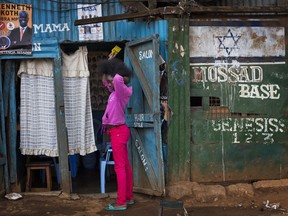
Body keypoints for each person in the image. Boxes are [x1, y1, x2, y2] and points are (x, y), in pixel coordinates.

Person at [97, 58, 134, 211]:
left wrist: (116, 68)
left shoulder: (122, 91)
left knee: (119, 167)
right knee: (124, 166)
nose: (110, 82)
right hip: (116, 132)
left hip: (119, 132)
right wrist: (107, 70)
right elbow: (105, 80)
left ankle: (121, 202)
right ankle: (129, 197)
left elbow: (118, 79)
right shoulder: (113, 93)